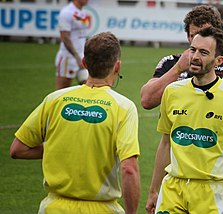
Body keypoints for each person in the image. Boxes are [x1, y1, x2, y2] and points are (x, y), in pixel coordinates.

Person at [140, 4, 223, 206]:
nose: (196, 51)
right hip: (175, 181)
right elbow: (147, 101)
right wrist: (178, 69)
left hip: (215, 179)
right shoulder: (171, 65)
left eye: (205, 36)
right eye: (194, 37)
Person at [10, 32, 140, 214]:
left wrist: (59, 147)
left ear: (84, 63)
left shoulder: (54, 99)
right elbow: (129, 169)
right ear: (117, 66)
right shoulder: (124, 107)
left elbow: (17, 150)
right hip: (102, 209)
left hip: (53, 208)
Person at [146, 26, 223, 214]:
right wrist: (154, 190)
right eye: (193, 50)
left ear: (218, 60)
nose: (195, 57)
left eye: (204, 52)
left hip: (211, 192)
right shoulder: (172, 92)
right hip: (172, 188)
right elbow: (165, 144)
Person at [55, 0, 90, 89]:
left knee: (89, 88)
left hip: (81, 57)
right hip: (68, 59)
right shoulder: (66, 12)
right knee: (62, 91)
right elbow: (65, 37)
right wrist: (77, 57)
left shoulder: (83, 13)